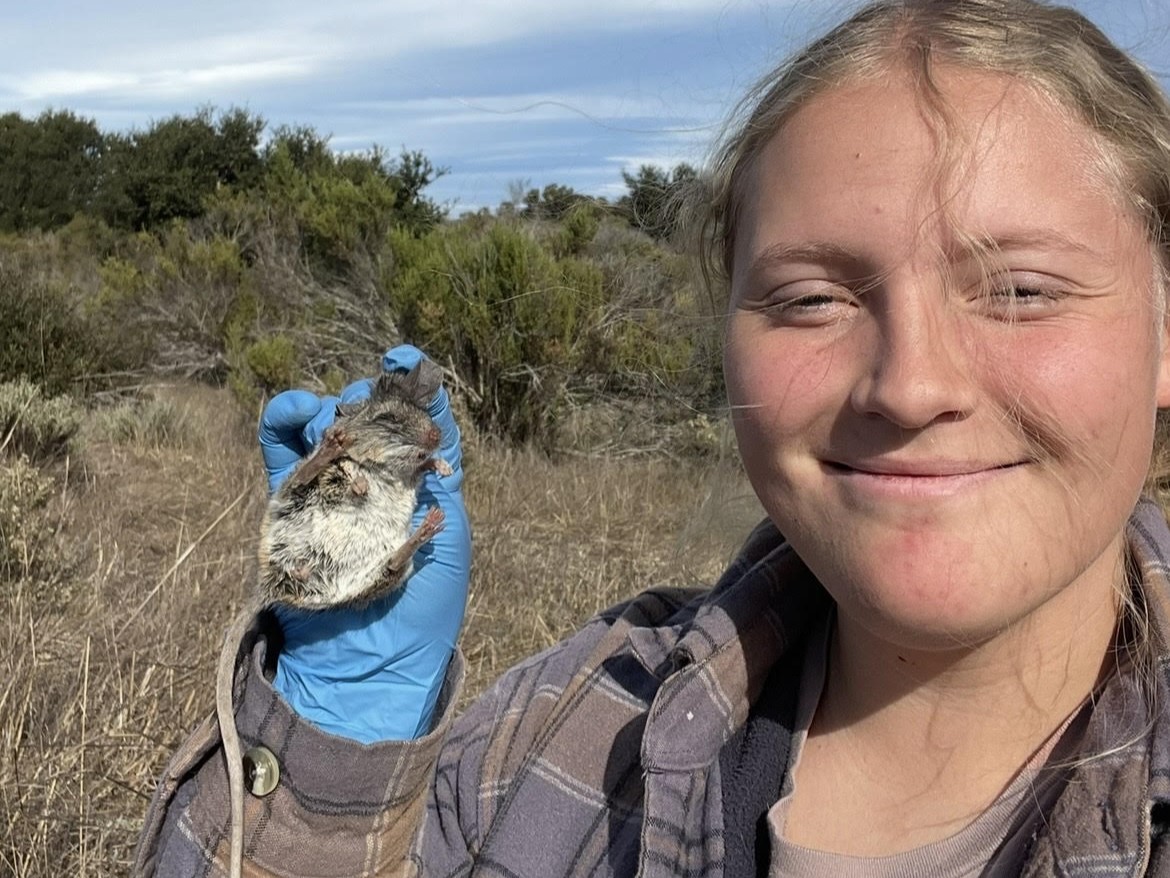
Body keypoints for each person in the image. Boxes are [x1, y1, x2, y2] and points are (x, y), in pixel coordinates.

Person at [134, 0, 1170, 874]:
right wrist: (339, 739)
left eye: (1023, 290)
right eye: (810, 298)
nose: (909, 385)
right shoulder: (560, 732)